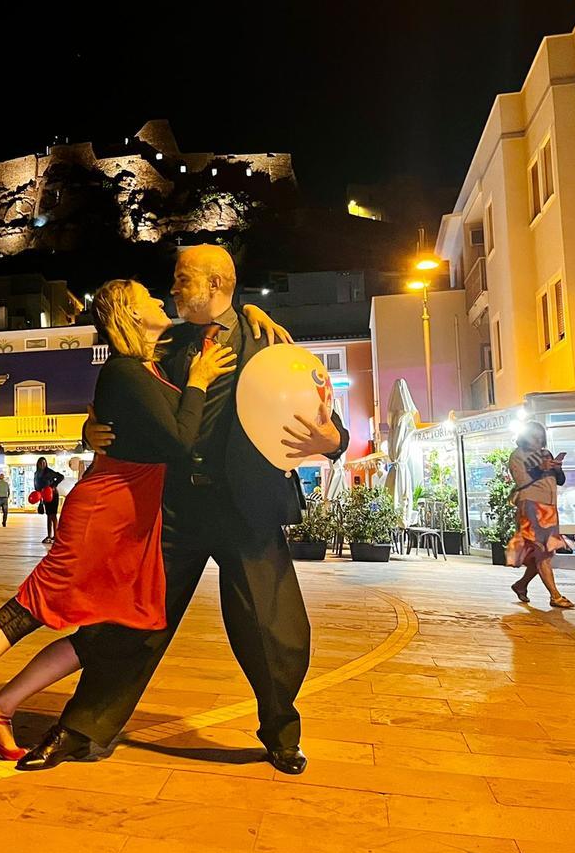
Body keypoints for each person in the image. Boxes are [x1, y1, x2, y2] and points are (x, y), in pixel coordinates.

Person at [19, 244, 345, 777]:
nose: (171, 288)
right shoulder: (165, 344)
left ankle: (282, 734)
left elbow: (321, 411)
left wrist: (334, 441)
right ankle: (80, 728)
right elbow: (127, 397)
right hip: (175, 508)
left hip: (247, 510)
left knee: (273, 628)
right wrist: (89, 429)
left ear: (215, 284)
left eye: (181, 278)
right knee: (133, 623)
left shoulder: (266, 340)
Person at [0, 278, 236, 778]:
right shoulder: (124, 370)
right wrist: (199, 380)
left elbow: (214, 328)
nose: (161, 299)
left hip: (134, 520)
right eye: (148, 297)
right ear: (129, 314)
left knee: (107, 632)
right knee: (31, 608)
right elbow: (180, 441)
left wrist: (253, 315)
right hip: (104, 513)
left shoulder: (151, 365)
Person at [506, 421, 574, 609]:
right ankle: (555, 595)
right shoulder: (517, 455)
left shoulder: (546, 454)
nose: (536, 439)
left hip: (549, 507)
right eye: (533, 436)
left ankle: (521, 585)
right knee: (541, 552)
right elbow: (522, 481)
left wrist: (557, 468)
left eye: (539, 436)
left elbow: (560, 480)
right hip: (530, 504)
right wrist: (539, 469)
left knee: (546, 551)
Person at [34, 457, 63, 543]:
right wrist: (39, 495)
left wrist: (53, 486)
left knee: (53, 515)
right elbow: (36, 485)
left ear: (46, 463)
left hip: (53, 495)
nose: (42, 464)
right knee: (48, 515)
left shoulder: (49, 471)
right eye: (41, 463)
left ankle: (56, 536)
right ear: (38, 464)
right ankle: (49, 535)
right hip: (45, 496)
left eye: (44, 462)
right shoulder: (37, 473)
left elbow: (61, 477)